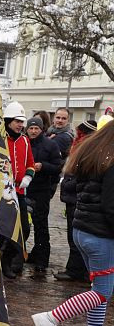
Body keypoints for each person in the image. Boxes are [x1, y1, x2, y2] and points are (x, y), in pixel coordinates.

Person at [32, 120, 114, 326]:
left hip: (83, 231)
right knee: (101, 292)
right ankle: (50, 318)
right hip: (100, 237)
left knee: (97, 288)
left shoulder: (93, 154)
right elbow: (111, 206)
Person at [54, 119, 97, 282]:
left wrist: (70, 184)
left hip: (77, 199)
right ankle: (77, 269)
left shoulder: (87, 150)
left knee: (76, 238)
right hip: (73, 198)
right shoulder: (81, 147)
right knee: (74, 237)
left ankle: (77, 270)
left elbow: (81, 176)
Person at [0, 100, 35, 279]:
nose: (21, 125)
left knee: (23, 230)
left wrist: (28, 177)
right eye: (17, 121)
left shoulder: (25, 141)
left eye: (22, 122)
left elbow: (30, 163)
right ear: (8, 121)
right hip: (0, 193)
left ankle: (6, 261)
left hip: (19, 194)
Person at [25, 116, 63, 274]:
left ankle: (42, 260)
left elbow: (57, 166)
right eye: (31, 128)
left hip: (41, 190)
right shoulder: (23, 142)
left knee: (41, 226)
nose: (33, 131)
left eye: (36, 129)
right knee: (22, 225)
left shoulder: (50, 144)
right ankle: (19, 256)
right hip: (24, 189)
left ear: (42, 129)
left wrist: (43, 166)